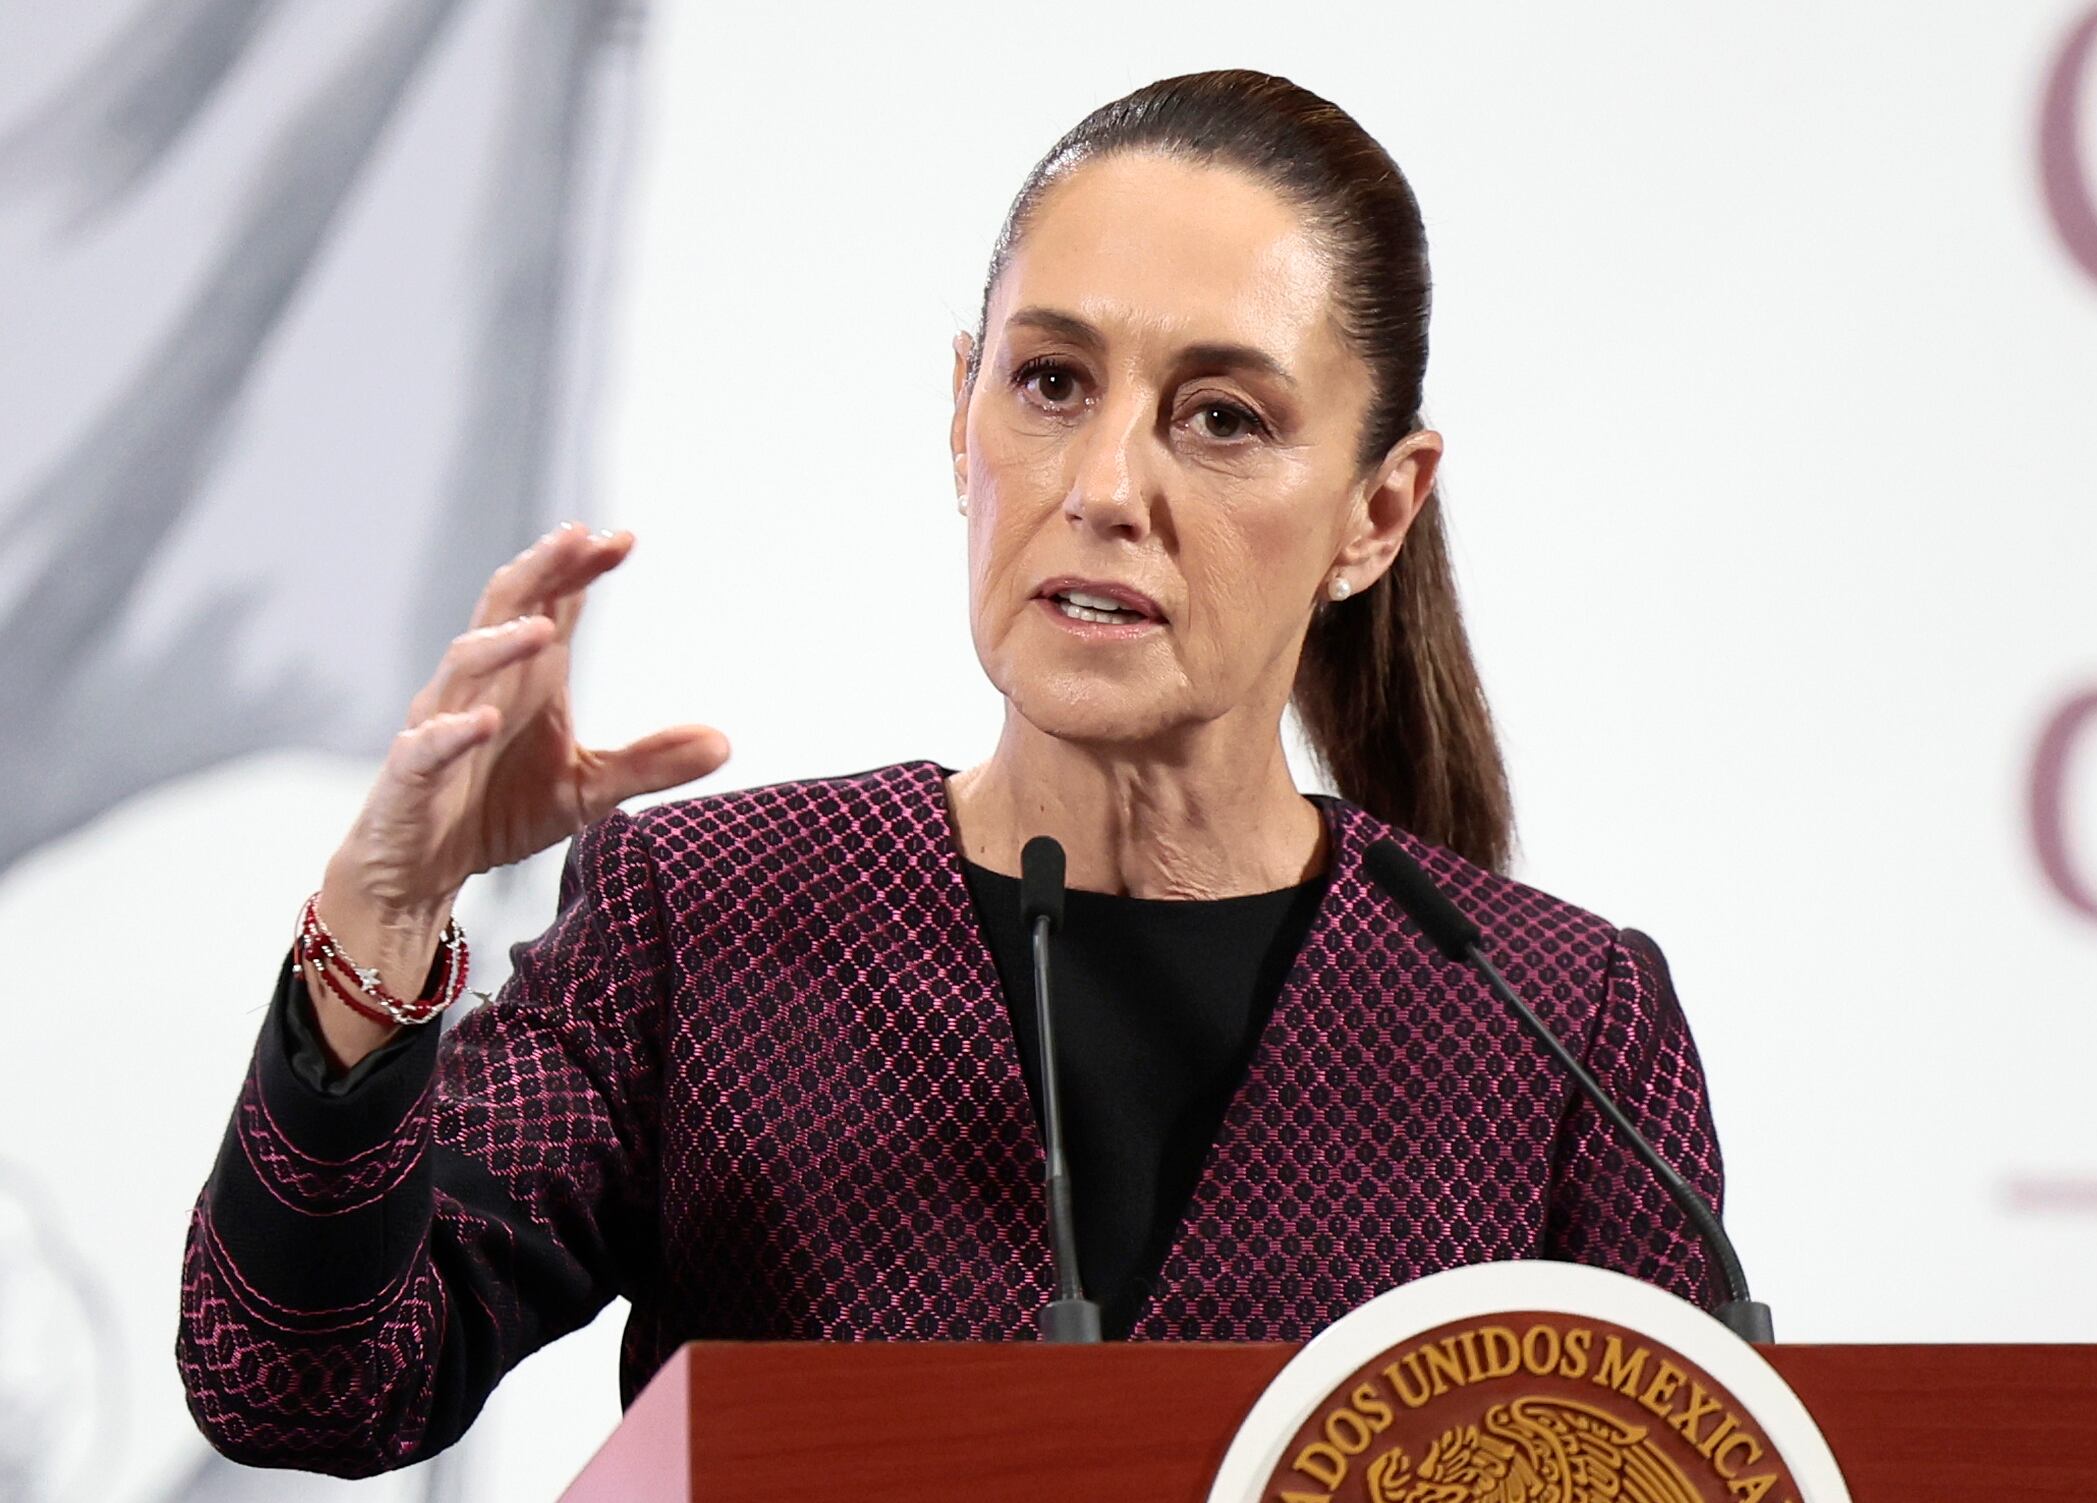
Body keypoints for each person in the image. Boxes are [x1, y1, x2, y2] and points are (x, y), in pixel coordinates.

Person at [175, 69, 1727, 1478]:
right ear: (961, 408)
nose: (1104, 486)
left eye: (1221, 418)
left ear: (1375, 515)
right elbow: (296, 1387)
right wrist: (383, 919)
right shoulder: (712, 920)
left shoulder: (1554, 1026)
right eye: (1051, 384)